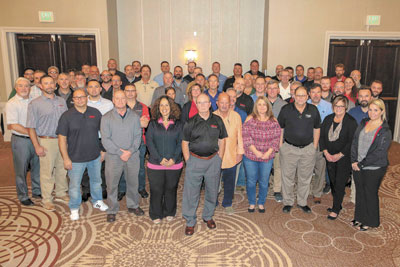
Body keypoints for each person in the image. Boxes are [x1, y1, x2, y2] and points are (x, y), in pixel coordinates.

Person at [57, 89, 109, 221]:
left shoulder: (95, 113)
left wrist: (102, 150)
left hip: (94, 156)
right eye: (77, 97)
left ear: (87, 98)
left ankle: (97, 200)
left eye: (82, 97)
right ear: (73, 100)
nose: (80, 99)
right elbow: (61, 139)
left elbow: (103, 133)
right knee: (74, 185)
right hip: (75, 159)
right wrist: (66, 158)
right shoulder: (66, 116)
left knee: (97, 181)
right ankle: (74, 207)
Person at [181, 93, 227, 236]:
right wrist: (188, 160)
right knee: (191, 193)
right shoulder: (190, 122)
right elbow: (185, 142)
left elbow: (222, 139)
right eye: (199, 103)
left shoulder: (218, 120)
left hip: (213, 161)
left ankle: (208, 216)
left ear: (209, 104)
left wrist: (220, 158)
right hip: (195, 160)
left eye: (205, 102)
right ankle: (190, 221)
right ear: (196, 104)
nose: (202, 105)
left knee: (212, 191)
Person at [26, 75, 69, 211]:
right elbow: (30, 127)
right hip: (46, 141)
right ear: (40, 86)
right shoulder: (35, 103)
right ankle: (47, 199)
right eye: (46, 83)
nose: (49, 86)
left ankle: (61, 193)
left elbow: (67, 121)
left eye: (51, 83)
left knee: (62, 169)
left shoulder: (61, 101)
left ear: (55, 85)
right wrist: (37, 145)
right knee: (47, 172)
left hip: (62, 140)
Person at [101, 90, 143, 222]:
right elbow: (105, 140)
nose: (120, 101)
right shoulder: (106, 117)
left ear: (126, 99)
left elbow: (138, 136)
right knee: (112, 184)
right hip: (114, 157)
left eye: (122, 98)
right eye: (117, 98)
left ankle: (133, 205)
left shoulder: (135, 116)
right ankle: (112, 209)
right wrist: (120, 152)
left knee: (133, 182)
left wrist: (130, 151)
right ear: (113, 100)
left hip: (132, 155)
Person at [278, 86, 321, 213]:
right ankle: (288, 202)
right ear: (294, 96)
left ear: (307, 97)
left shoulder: (313, 110)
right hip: (289, 148)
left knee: (305, 177)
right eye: (298, 95)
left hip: (308, 149)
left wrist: (314, 146)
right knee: (288, 177)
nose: (301, 98)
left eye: (303, 95)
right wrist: (281, 146)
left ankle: (302, 202)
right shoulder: (286, 109)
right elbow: (280, 128)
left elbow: (317, 128)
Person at [351, 99, 392, 230]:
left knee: (370, 193)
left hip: (374, 167)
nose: (372, 112)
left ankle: (370, 221)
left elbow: (379, 152)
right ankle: (359, 217)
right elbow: (355, 142)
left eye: (376, 110)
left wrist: (361, 164)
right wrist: (353, 161)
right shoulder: (364, 123)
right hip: (358, 164)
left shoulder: (385, 130)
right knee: (360, 192)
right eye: (370, 109)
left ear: (381, 111)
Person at [146, 96, 183, 224]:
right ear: (157, 107)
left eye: (166, 105)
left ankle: (170, 211)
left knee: (171, 189)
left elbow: (181, 143)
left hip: (175, 163)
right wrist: (159, 159)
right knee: (156, 190)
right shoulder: (152, 124)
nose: (164, 108)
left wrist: (174, 159)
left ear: (171, 107)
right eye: (161, 105)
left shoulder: (178, 124)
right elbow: (150, 143)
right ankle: (156, 213)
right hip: (156, 164)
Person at [320, 95, 357, 220]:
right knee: (333, 182)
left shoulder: (351, 122)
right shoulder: (328, 119)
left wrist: (339, 155)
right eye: (336, 105)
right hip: (329, 156)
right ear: (333, 106)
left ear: (346, 107)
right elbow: (322, 137)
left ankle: (335, 209)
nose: (339, 108)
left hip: (343, 158)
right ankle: (338, 203)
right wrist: (325, 152)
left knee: (340, 182)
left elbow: (351, 141)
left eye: (341, 106)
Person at [6, 77, 41, 206]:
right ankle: (23, 195)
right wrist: (32, 134)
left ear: (30, 88)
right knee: (21, 169)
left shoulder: (34, 101)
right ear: (16, 88)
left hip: (35, 139)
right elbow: (13, 125)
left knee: (37, 166)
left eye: (26, 86)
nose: (24, 88)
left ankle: (37, 190)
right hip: (21, 141)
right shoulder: (12, 103)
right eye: (20, 86)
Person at [243, 96, 281, 213]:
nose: (262, 107)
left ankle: (261, 202)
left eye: (264, 104)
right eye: (259, 104)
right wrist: (256, 152)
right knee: (251, 181)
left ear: (268, 106)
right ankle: (252, 202)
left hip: (267, 157)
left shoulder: (273, 121)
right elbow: (246, 137)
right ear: (256, 106)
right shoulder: (250, 119)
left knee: (264, 181)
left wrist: (268, 153)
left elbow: (276, 138)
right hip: (251, 156)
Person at [83, 80, 114, 201]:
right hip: (86, 138)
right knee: (86, 164)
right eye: (91, 87)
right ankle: (86, 189)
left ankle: (103, 188)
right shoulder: (82, 102)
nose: (94, 89)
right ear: (87, 89)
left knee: (103, 164)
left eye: (96, 87)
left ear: (101, 89)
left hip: (103, 138)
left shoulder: (108, 104)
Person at [119, 84, 151, 200]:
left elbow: (145, 124)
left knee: (140, 167)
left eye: (133, 91)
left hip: (140, 142)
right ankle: (122, 189)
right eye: (128, 91)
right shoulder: (119, 106)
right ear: (124, 92)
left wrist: (128, 123)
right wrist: (138, 121)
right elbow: (118, 125)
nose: (130, 93)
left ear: (136, 93)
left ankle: (141, 188)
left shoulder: (143, 107)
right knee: (123, 167)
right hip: (122, 142)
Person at [214, 93, 244, 215]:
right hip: (214, 156)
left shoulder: (236, 116)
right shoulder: (212, 116)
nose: (225, 105)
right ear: (217, 103)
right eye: (222, 102)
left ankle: (227, 203)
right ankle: (213, 201)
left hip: (232, 155)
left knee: (230, 182)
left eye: (227, 102)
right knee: (213, 181)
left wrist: (240, 152)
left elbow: (240, 136)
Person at [307, 84, 332, 204]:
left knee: (320, 168)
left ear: (321, 93)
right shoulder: (304, 104)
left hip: (322, 141)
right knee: (305, 168)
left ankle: (317, 193)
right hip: (306, 141)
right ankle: (304, 191)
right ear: (309, 94)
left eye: (318, 92)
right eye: (313, 92)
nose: (316, 95)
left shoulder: (328, 107)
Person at [266, 80, 287, 202]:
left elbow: (285, 125)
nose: (272, 90)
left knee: (278, 167)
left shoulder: (284, 105)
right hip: (263, 141)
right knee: (265, 166)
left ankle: (277, 190)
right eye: (270, 88)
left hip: (278, 140)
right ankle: (264, 187)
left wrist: (281, 141)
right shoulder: (261, 103)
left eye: (275, 88)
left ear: (278, 90)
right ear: (266, 90)